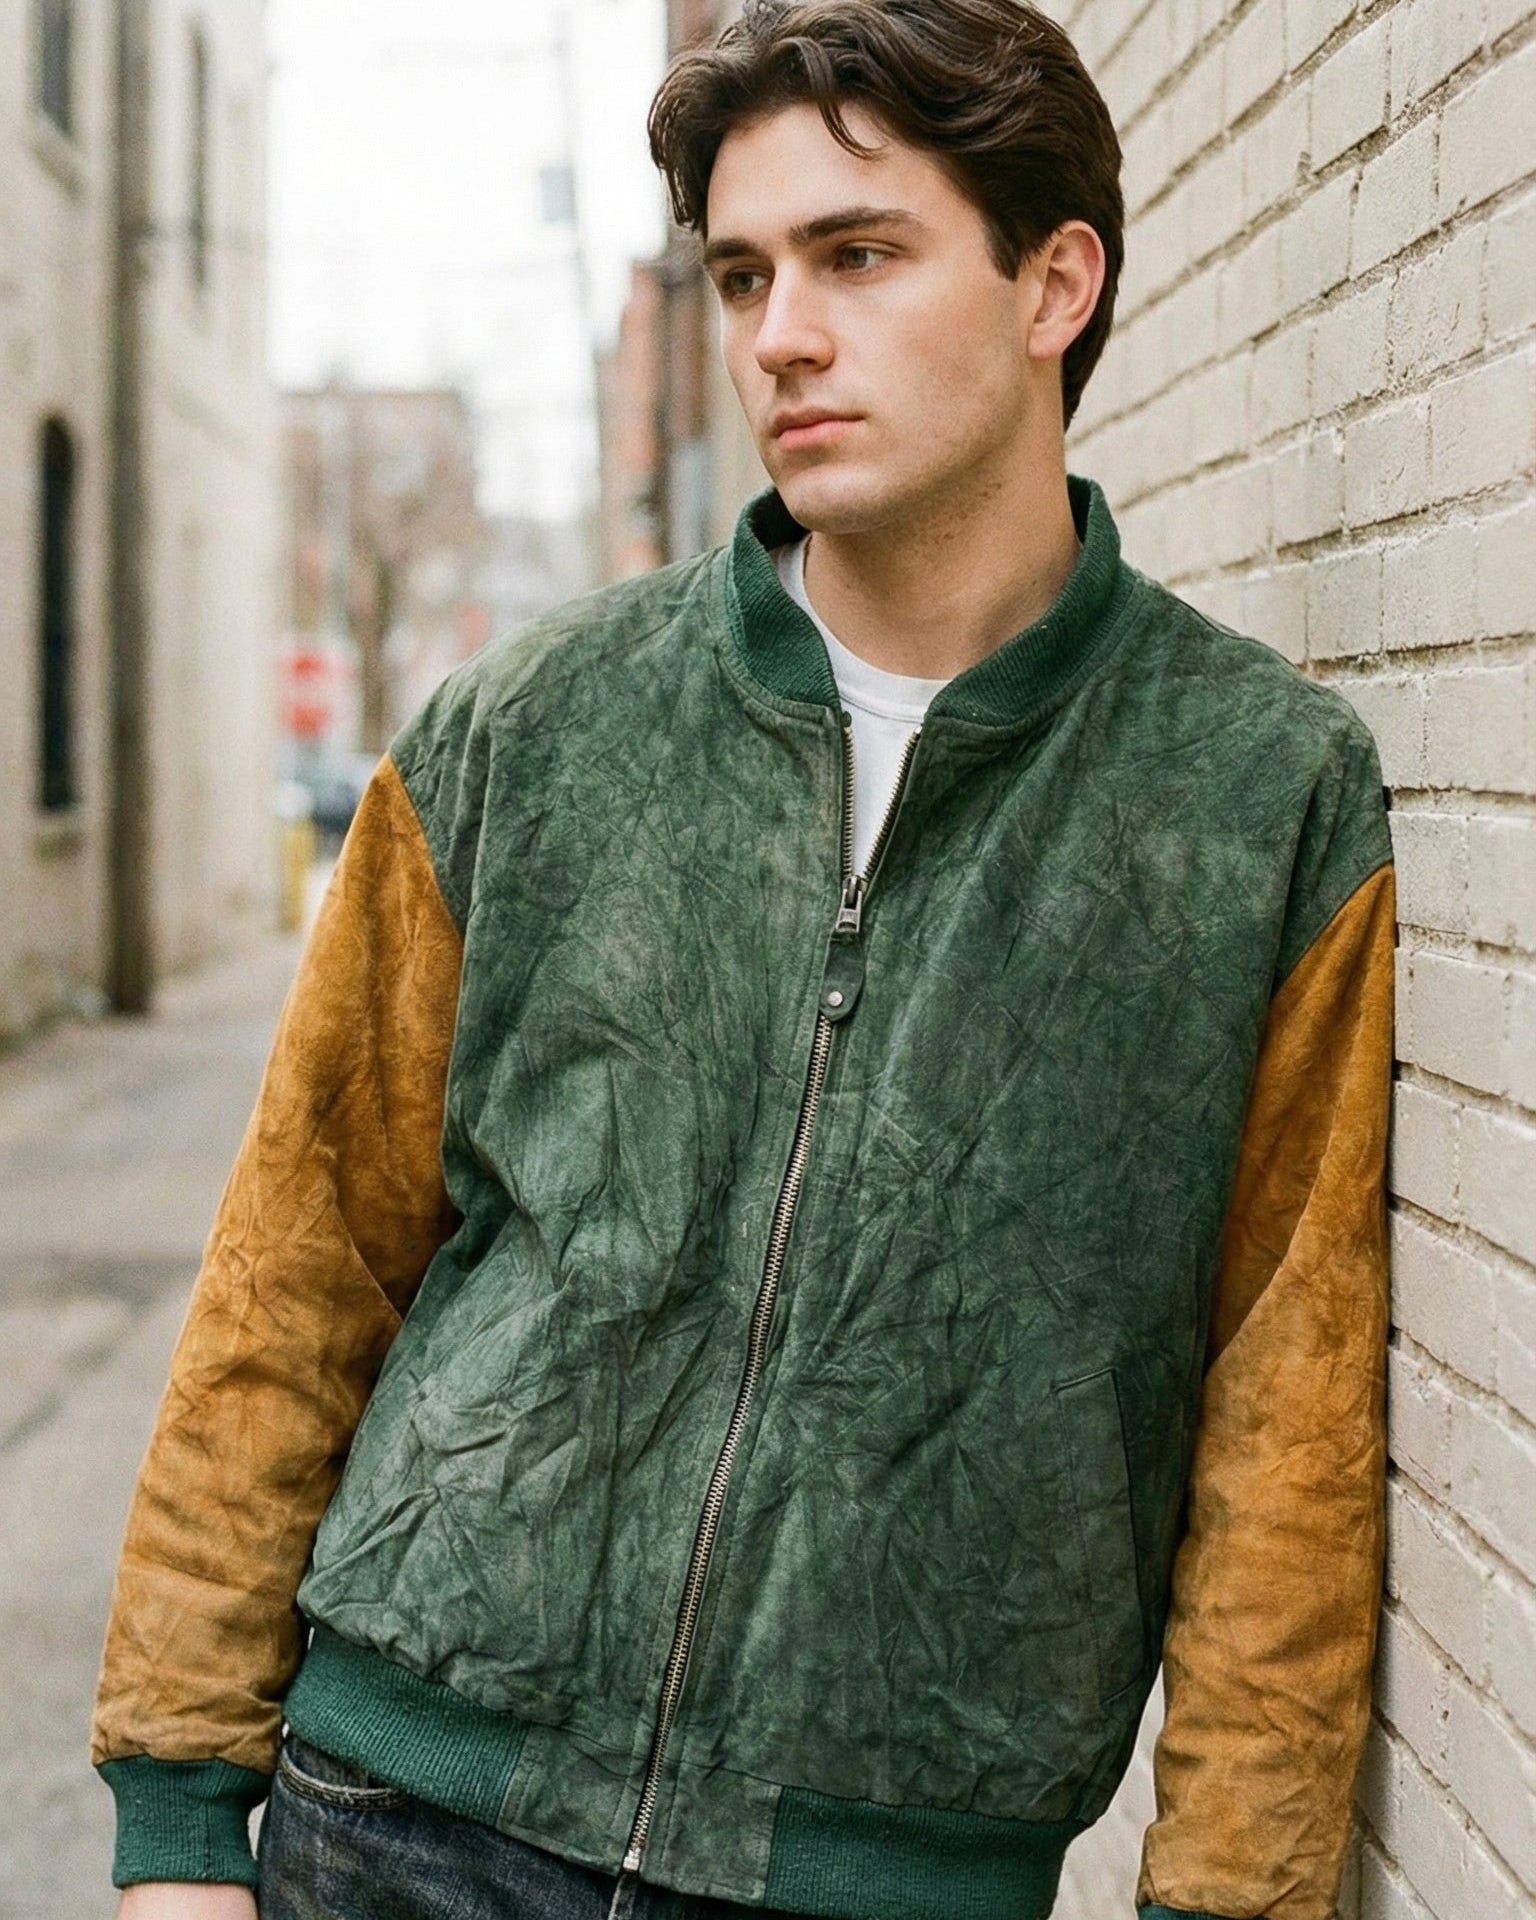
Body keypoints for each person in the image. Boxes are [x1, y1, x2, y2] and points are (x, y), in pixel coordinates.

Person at [94, 3, 1395, 1917]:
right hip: (400, 1825)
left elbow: (1290, 1428)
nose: (781, 330)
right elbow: (297, 1269)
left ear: (1057, 283)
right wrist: (179, 1823)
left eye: (858, 255)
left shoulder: (1254, 796)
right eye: (741, 271)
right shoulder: (533, 728)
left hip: (886, 1880)